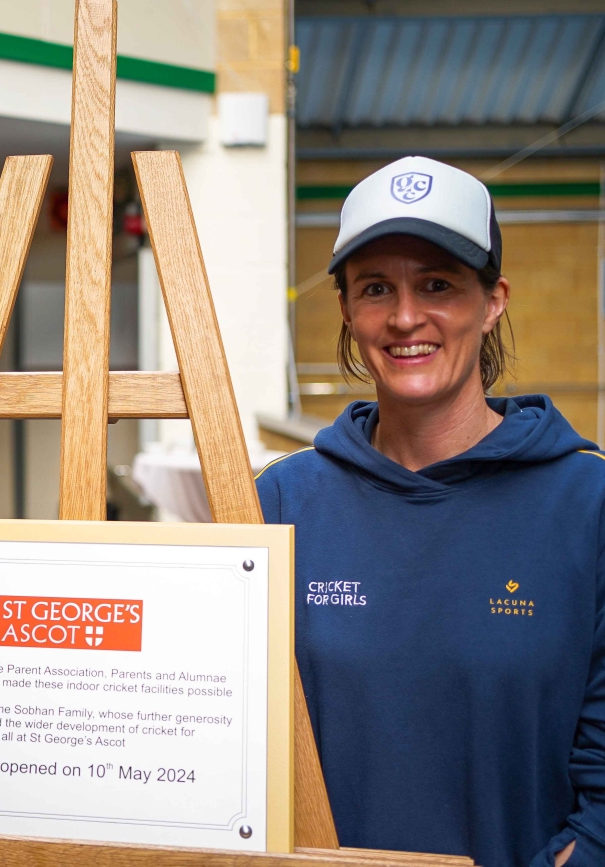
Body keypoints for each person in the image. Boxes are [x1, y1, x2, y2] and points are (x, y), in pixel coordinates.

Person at [256, 156, 600, 867]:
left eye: (437, 285)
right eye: (376, 287)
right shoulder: (280, 503)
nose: (406, 316)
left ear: (493, 298)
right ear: (348, 308)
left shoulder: (587, 504)